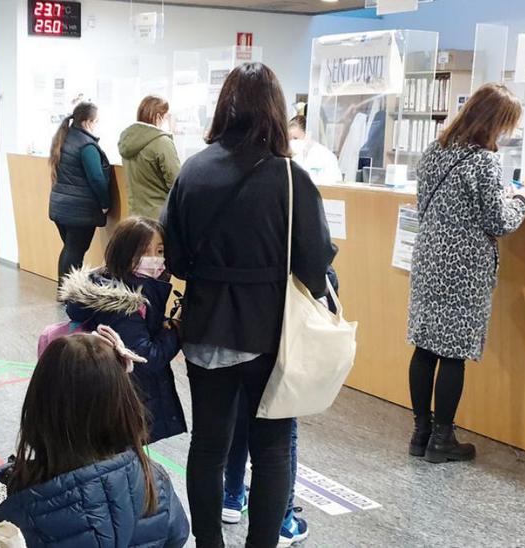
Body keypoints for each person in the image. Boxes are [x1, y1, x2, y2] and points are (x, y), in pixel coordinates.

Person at [162, 62, 337, 548]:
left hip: (203, 328)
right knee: (273, 447)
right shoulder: (289, 176)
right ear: (276, 111)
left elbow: (174, 254)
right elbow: (314, 263)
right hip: (268, 332)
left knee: (208, 444)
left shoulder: (193, 170)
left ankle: (210, 544)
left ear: (225, 107)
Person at [407, 83, 525, 464]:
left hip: (428, 258)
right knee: (453, 353)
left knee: (425, 346)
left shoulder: (434, 151)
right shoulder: (484, 161)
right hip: (464, 266)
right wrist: (521, 203)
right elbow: (497, 220)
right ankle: (443, 439)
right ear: (495, 122)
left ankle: (420, 433)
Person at [0, 333, 190, 547]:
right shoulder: (154, 480)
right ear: (123, 405)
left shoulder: (7, 490)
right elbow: (177, 536)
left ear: (38, 405)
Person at [59, 216, 186, 443]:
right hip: (124, 400)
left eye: (159, 251)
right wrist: (175, 330)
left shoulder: (129, 285)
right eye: (145, 252)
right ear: (124, 253)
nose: (155, 259)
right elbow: (145, 357)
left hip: (117, 397)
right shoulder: (125, 303)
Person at [49, 101, 112, 283]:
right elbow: (96, 178)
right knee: (75, 251)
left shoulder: (64, 138)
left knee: (70, 249)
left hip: (61, 207)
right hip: (80, 211)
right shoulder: (86, 145)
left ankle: (64, 291)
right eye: (97, 121)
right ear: (87, 122)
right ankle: (69, 293)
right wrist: (105, 203)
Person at [119, 96, 181, 219]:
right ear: (158, 117)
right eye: (167, 117)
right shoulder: (162, 142)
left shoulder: (127, 139)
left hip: (135, 215)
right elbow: (176, 183)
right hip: (158, 217)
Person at [288, 105, 342, 185]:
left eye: (295, 138)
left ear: (308, 135)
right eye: (289, 139)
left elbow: (335, 184)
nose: (292, 143)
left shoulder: (326, 156)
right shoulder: (288, 158)